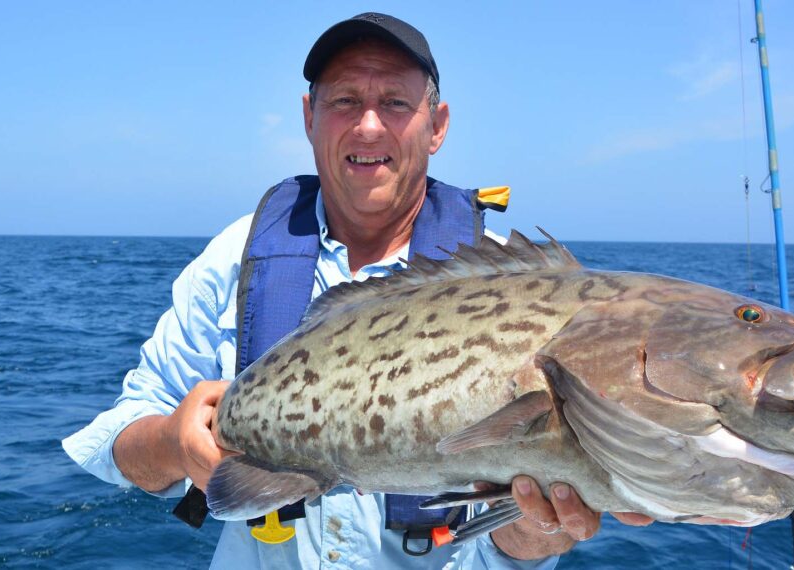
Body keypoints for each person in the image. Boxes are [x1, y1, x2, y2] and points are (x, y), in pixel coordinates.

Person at [63, 12, 651, 569]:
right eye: (345, 100)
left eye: (394, 102)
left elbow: (506, 548)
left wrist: (528, 533)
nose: (368, 124)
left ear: (437, 125)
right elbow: (114, 441)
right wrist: (170, 441)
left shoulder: (518, 287)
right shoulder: (234, 259)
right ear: (309, 117)